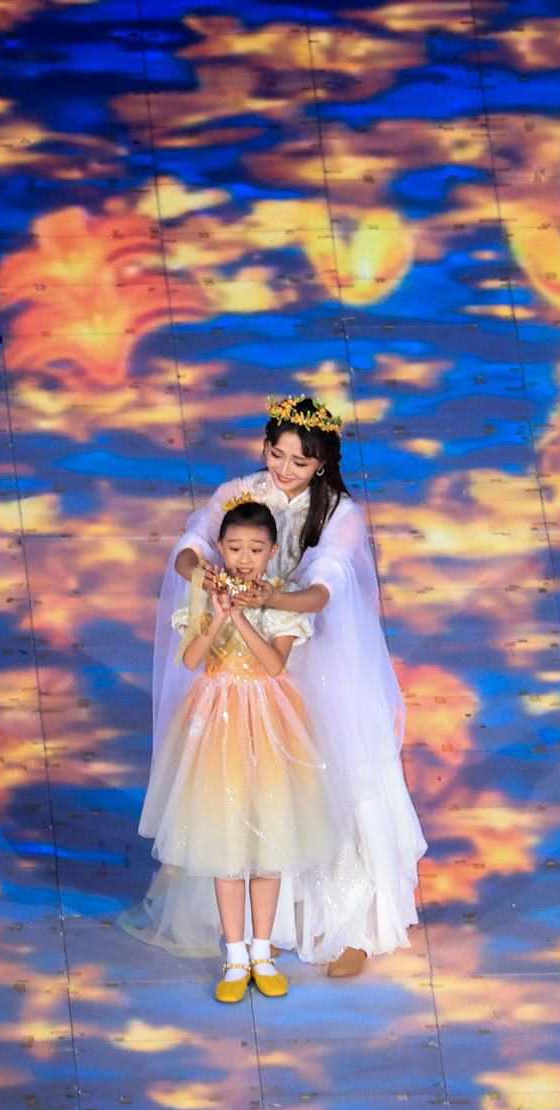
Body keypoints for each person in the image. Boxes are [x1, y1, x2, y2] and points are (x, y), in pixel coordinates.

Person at [119, 395, 425, 978]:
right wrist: (208, 578)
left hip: (315, 655)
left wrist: (273, 599)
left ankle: (353, 924)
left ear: (322, 464)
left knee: (335, 774)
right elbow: (192, 546)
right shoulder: (240, 494)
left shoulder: (339, 513)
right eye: (277, 454)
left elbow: (323, 587)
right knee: (256, 784)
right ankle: (271, 926)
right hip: (244, 655)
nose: (284, 469)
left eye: (300, 462)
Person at [137, 499, 329, 1002]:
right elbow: (193, 660)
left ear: (272, 551)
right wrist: (218, 616)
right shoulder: (206, 595)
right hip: (218, 721)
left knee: (269, 844)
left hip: (268, 722)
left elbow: (273, 666)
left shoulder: (281, 599)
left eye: (256, 549)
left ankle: (263, 953)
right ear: (220, 548)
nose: (245, 558)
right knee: (225, 846)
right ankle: (235, 955)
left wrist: (243, 617)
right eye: (235, 547)